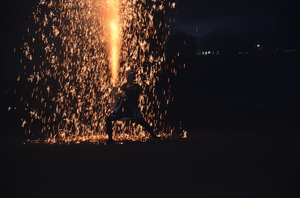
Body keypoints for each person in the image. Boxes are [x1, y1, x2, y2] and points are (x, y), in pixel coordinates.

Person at [105, 69, 159, 143]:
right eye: (127, 76)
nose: (128, 78)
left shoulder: (136, 86)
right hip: (123, 110)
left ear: (133, 77)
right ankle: (110, 139)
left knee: (143, 123)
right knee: (108, 119)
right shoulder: (124, 86)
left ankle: (154, 136)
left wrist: (121, 93)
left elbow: (128, 94)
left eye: (130, 76)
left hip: (132, 111)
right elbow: (120, 96)